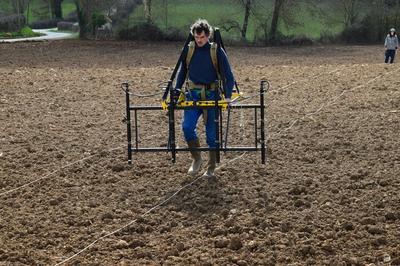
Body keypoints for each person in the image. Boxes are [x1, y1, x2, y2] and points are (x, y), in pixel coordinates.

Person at [175, 19, 235, 178]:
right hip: (193, 95)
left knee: (211, 134)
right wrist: (176, 89)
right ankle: (196, 159)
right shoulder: (189, 50)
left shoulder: (216, 51)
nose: (199, 40)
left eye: (202, 37)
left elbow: (229, 77)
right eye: (196, 37)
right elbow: (181, 73)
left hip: (212, 95)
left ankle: (211, 165)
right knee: (187, 127)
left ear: (208, 36)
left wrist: (228, 96)